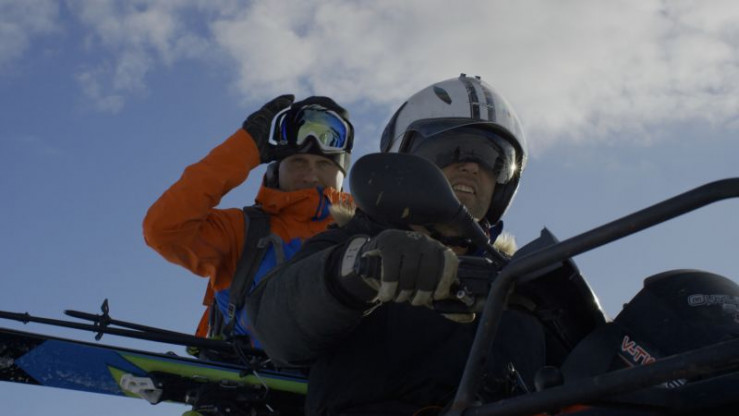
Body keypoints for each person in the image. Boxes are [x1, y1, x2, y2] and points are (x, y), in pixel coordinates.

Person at [246, 75, 544, 415]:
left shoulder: (523, 282)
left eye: (493, 159)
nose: (472, 167)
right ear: (405, 160)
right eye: (455, 150)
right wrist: (360, 270)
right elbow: (274, 324)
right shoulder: (351, 242)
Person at [142, 94, 354, 346]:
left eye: (323, 165)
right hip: (252, 365)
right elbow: (164, 229)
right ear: (277, 168)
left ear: (342, 174)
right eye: (298, 162)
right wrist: (245, 149)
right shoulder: (242, 231)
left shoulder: (366, 228)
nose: (310, 175)